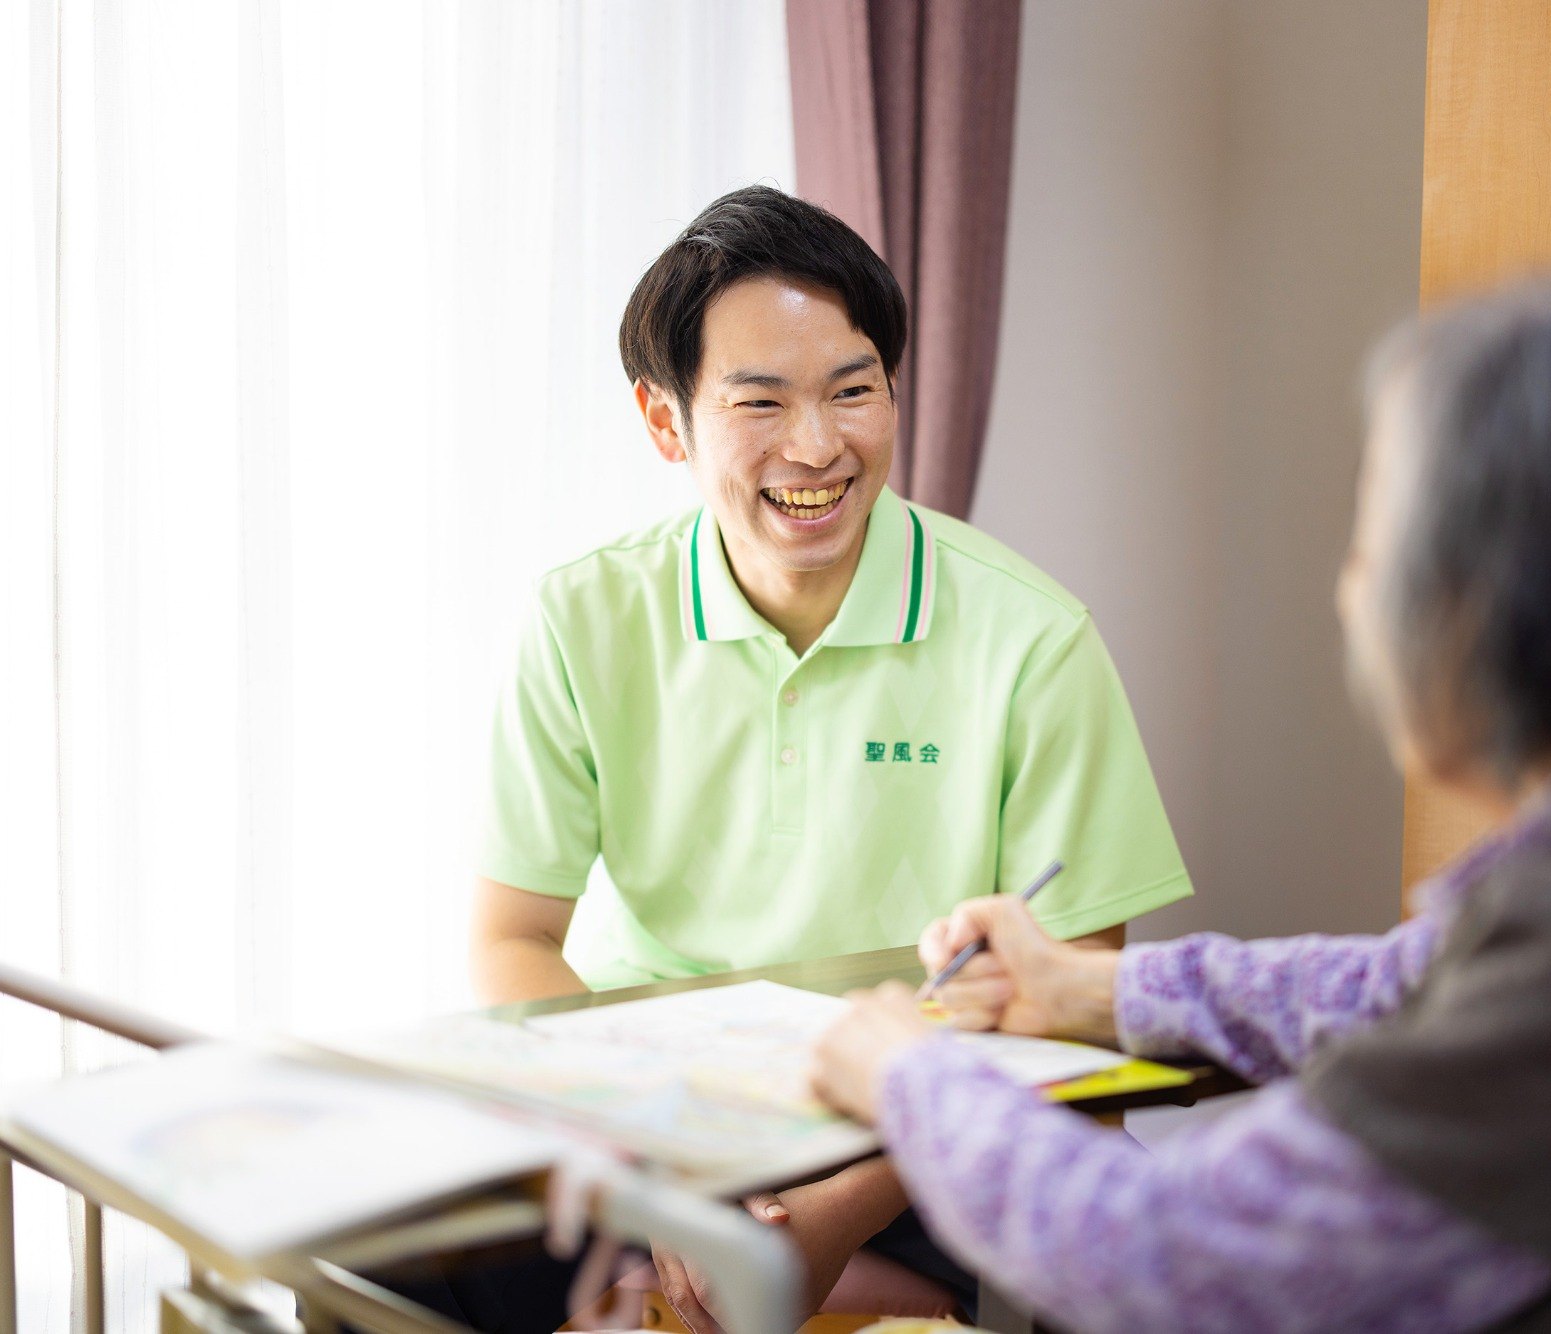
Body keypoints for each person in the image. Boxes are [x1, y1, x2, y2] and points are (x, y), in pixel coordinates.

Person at [809, 269, 1551, 1332]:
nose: (1349, 594)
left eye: (1373, 541)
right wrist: (1100, 988)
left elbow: (1168, 1261)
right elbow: (1418, 988)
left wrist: (909, 1075)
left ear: (1499, 598)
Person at [443, 186, 1194, 1328]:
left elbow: (1071, 999)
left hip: (912, 1130)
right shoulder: (583, 616)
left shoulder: (1031, 639)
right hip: (648, 1116)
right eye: (760, 401)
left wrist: (840, 1204)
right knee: (391, 1269)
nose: (816, 445)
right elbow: (512, 937)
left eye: (852, 390)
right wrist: (665, 1176)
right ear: (665, 422)